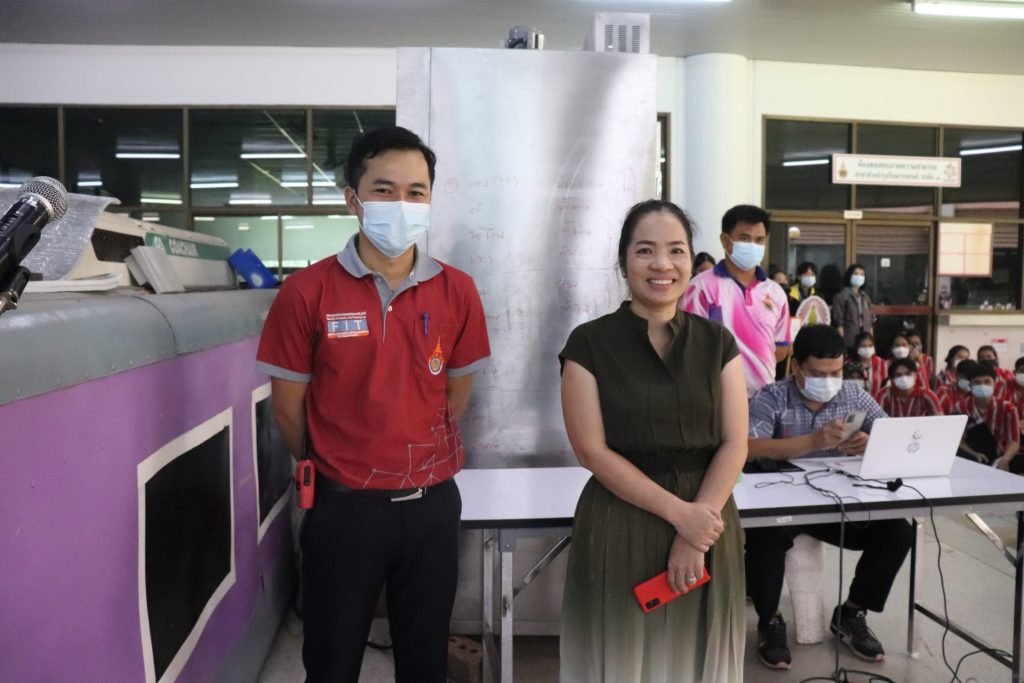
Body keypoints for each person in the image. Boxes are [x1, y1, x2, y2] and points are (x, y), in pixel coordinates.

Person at [255, 126, 491, 683]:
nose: (401, 204)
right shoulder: (306, 292)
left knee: (424, 662)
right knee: (332, 662)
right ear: (353, 199)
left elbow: (455, 395)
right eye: (384, 190)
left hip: (432, 507)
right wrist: (343, 464)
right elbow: (287, 410)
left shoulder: (457, 290)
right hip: (343, 510)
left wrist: (410, 447)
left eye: (416, 192)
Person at [559, 200, 748, 682]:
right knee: (621, 658)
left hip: (709, 517)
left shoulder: (718, 343)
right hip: (622, 519)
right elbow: (591, 451)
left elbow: (735, 443)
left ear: (691, 259)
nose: (662, 264)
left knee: (700, 658)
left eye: (676, 250)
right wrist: (682, 517)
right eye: (645, 250)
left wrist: (696, 528)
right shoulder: (588, 343)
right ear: (624, 261)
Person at [745, 324, 910, 670]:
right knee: (764, 537)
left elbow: (893, 434)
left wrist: (870, 444)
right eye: (819, 374)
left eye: (835, 372)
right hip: (784, 504)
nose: (829, 380)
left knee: (897, 531)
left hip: (837, 504)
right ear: (796, 367)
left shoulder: (853, 395)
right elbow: (750, 447)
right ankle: (769, 620)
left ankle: (852, 611)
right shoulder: (771, 397)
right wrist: (813, 442)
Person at [681, 204, 791, 398]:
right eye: (745, 238)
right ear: (725, 240)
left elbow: (781, 348)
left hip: (764, 400)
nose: (753, 246)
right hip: (716, 398)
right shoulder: (700, 288)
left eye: (760, 240)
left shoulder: (776, 293)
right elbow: (688, 347)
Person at [953, 361, 1021, 471]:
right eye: (977, 382)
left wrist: (1005, 460)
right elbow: (958, 439)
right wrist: (974, 454)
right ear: (970, 385)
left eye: (987, 382)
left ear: (995, 383)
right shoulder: (960, 407)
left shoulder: (1008, 408)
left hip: (1001, 457)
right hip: (973, 456)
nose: (982, 385)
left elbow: (1014, 442)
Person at [873, 358, 943, 417]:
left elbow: (940, 419)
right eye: (898, 375)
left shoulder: (927, 395)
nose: (903, 378)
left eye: (908, 373)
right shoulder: (884, 395)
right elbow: (875, 419)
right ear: (892, 378)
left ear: (915, 375)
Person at [832, 263, 873, 357]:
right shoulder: (841, 296)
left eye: (862, 274)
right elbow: (839, 323)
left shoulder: (865, 297)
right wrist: (842, 343)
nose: (859, 277)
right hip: (850, 341)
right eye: (856, 274)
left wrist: (871, 341)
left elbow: (870, 322)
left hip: (865, 341)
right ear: (849, 276)